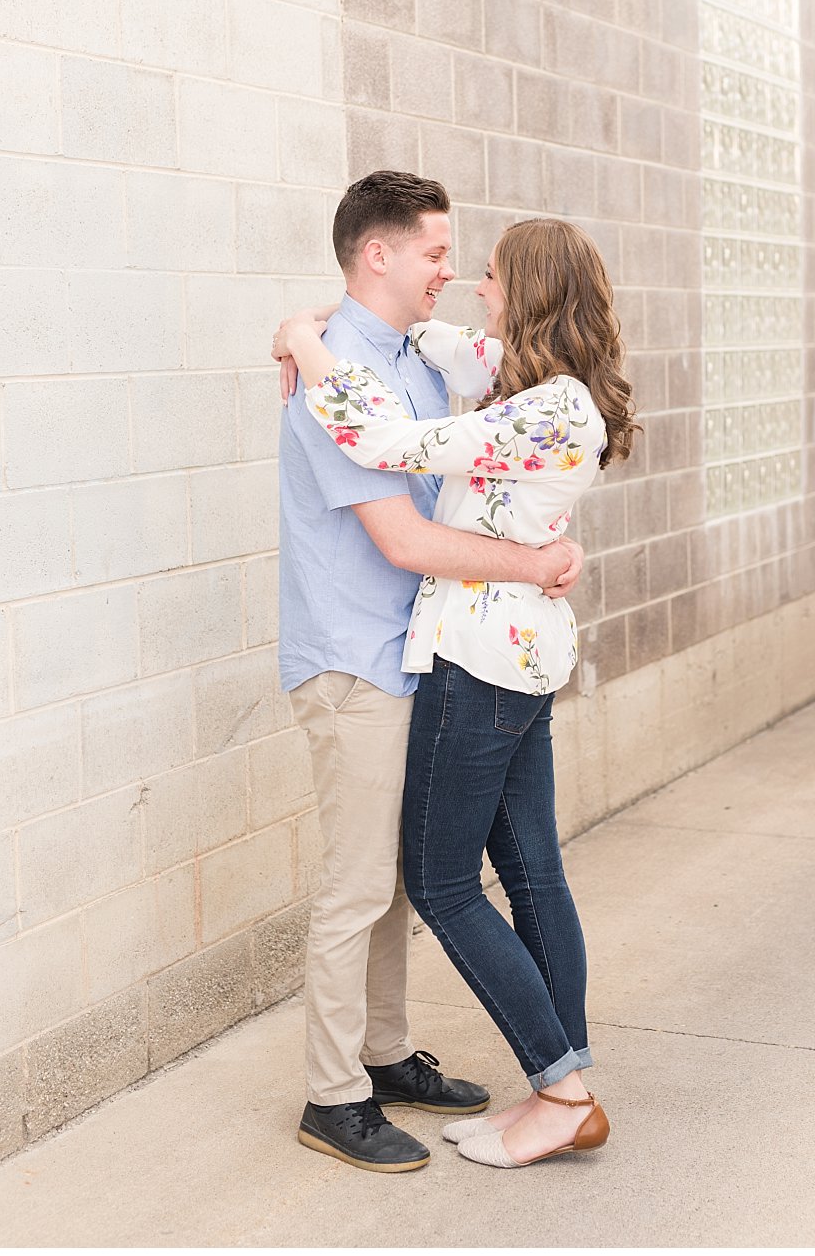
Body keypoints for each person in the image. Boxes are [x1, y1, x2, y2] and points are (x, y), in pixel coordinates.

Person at [277, 215, 638, 1170]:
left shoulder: (546, 406)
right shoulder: (534, 384)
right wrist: (312, 317)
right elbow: (429, 337)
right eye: (452, 262)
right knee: (531, 874)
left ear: (533, 292)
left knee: (442, 885)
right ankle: (561, 1086)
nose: (476, 286)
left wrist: (308, 347)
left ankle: (561, 1093)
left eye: (490, 274)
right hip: (516, 657)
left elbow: (386, 437)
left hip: (479, 658)